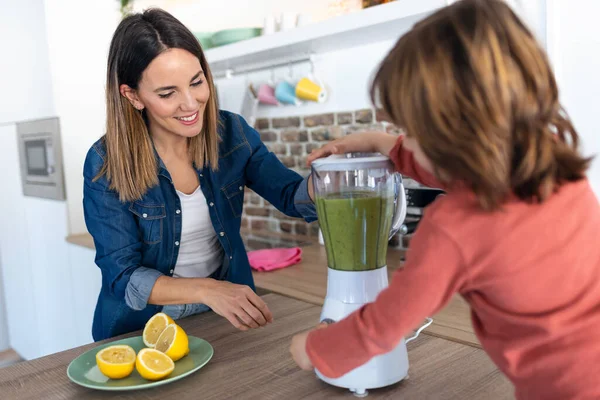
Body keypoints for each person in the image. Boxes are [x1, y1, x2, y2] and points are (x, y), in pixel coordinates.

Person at [290, 0, 600, 398]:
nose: (408, 142)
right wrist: (381, 144)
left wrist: (314, 349)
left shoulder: (454, 227)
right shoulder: (549, 162)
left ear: (447, 134)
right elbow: (464, 173)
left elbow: (385, 323)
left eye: (412, 131)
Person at [83, 8, 316, 341]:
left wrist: (336, 176)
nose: (191, 104)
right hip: (142, 328)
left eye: (197, 82)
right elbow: (123, 277)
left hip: (224, 315)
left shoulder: (232, 134)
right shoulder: (104, 163)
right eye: (167, 93)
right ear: (132, 96)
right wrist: (209, 290)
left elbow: (291, 196)